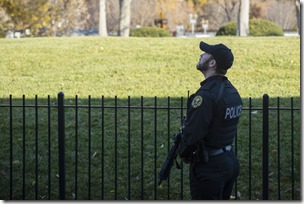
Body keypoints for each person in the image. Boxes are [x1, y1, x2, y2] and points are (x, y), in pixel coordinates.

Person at [178, 41, 242, 200]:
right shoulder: (231, 91)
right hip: (229, 162)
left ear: (212, 63)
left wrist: (183, 152)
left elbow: (193, 135)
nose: (201, 55)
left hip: (210, 167)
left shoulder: (206, 96)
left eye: (205, 54)